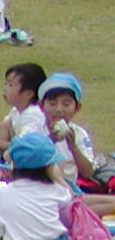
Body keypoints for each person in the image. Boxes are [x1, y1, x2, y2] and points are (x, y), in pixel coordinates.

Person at [39, 71, 115, 201]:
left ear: (77, 108)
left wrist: (73, 146)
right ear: (41, 106)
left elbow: (87, 173)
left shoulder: (79, 134)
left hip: (71, 192)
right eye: (52, 104)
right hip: (41, 191)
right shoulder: (34, 131)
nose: (59, 109)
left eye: (66, 104)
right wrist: (50, 141)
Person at [0, 62, 47, 155]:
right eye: (6, 84)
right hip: (20, 149)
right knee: (4, 127)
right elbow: (1, 125)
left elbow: (26, 147)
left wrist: (0, 143)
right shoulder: (17, 109)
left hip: (34, 156)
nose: (5, 89)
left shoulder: (33, 115)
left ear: (28, 94)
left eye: (10, 85)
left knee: (7, 153)